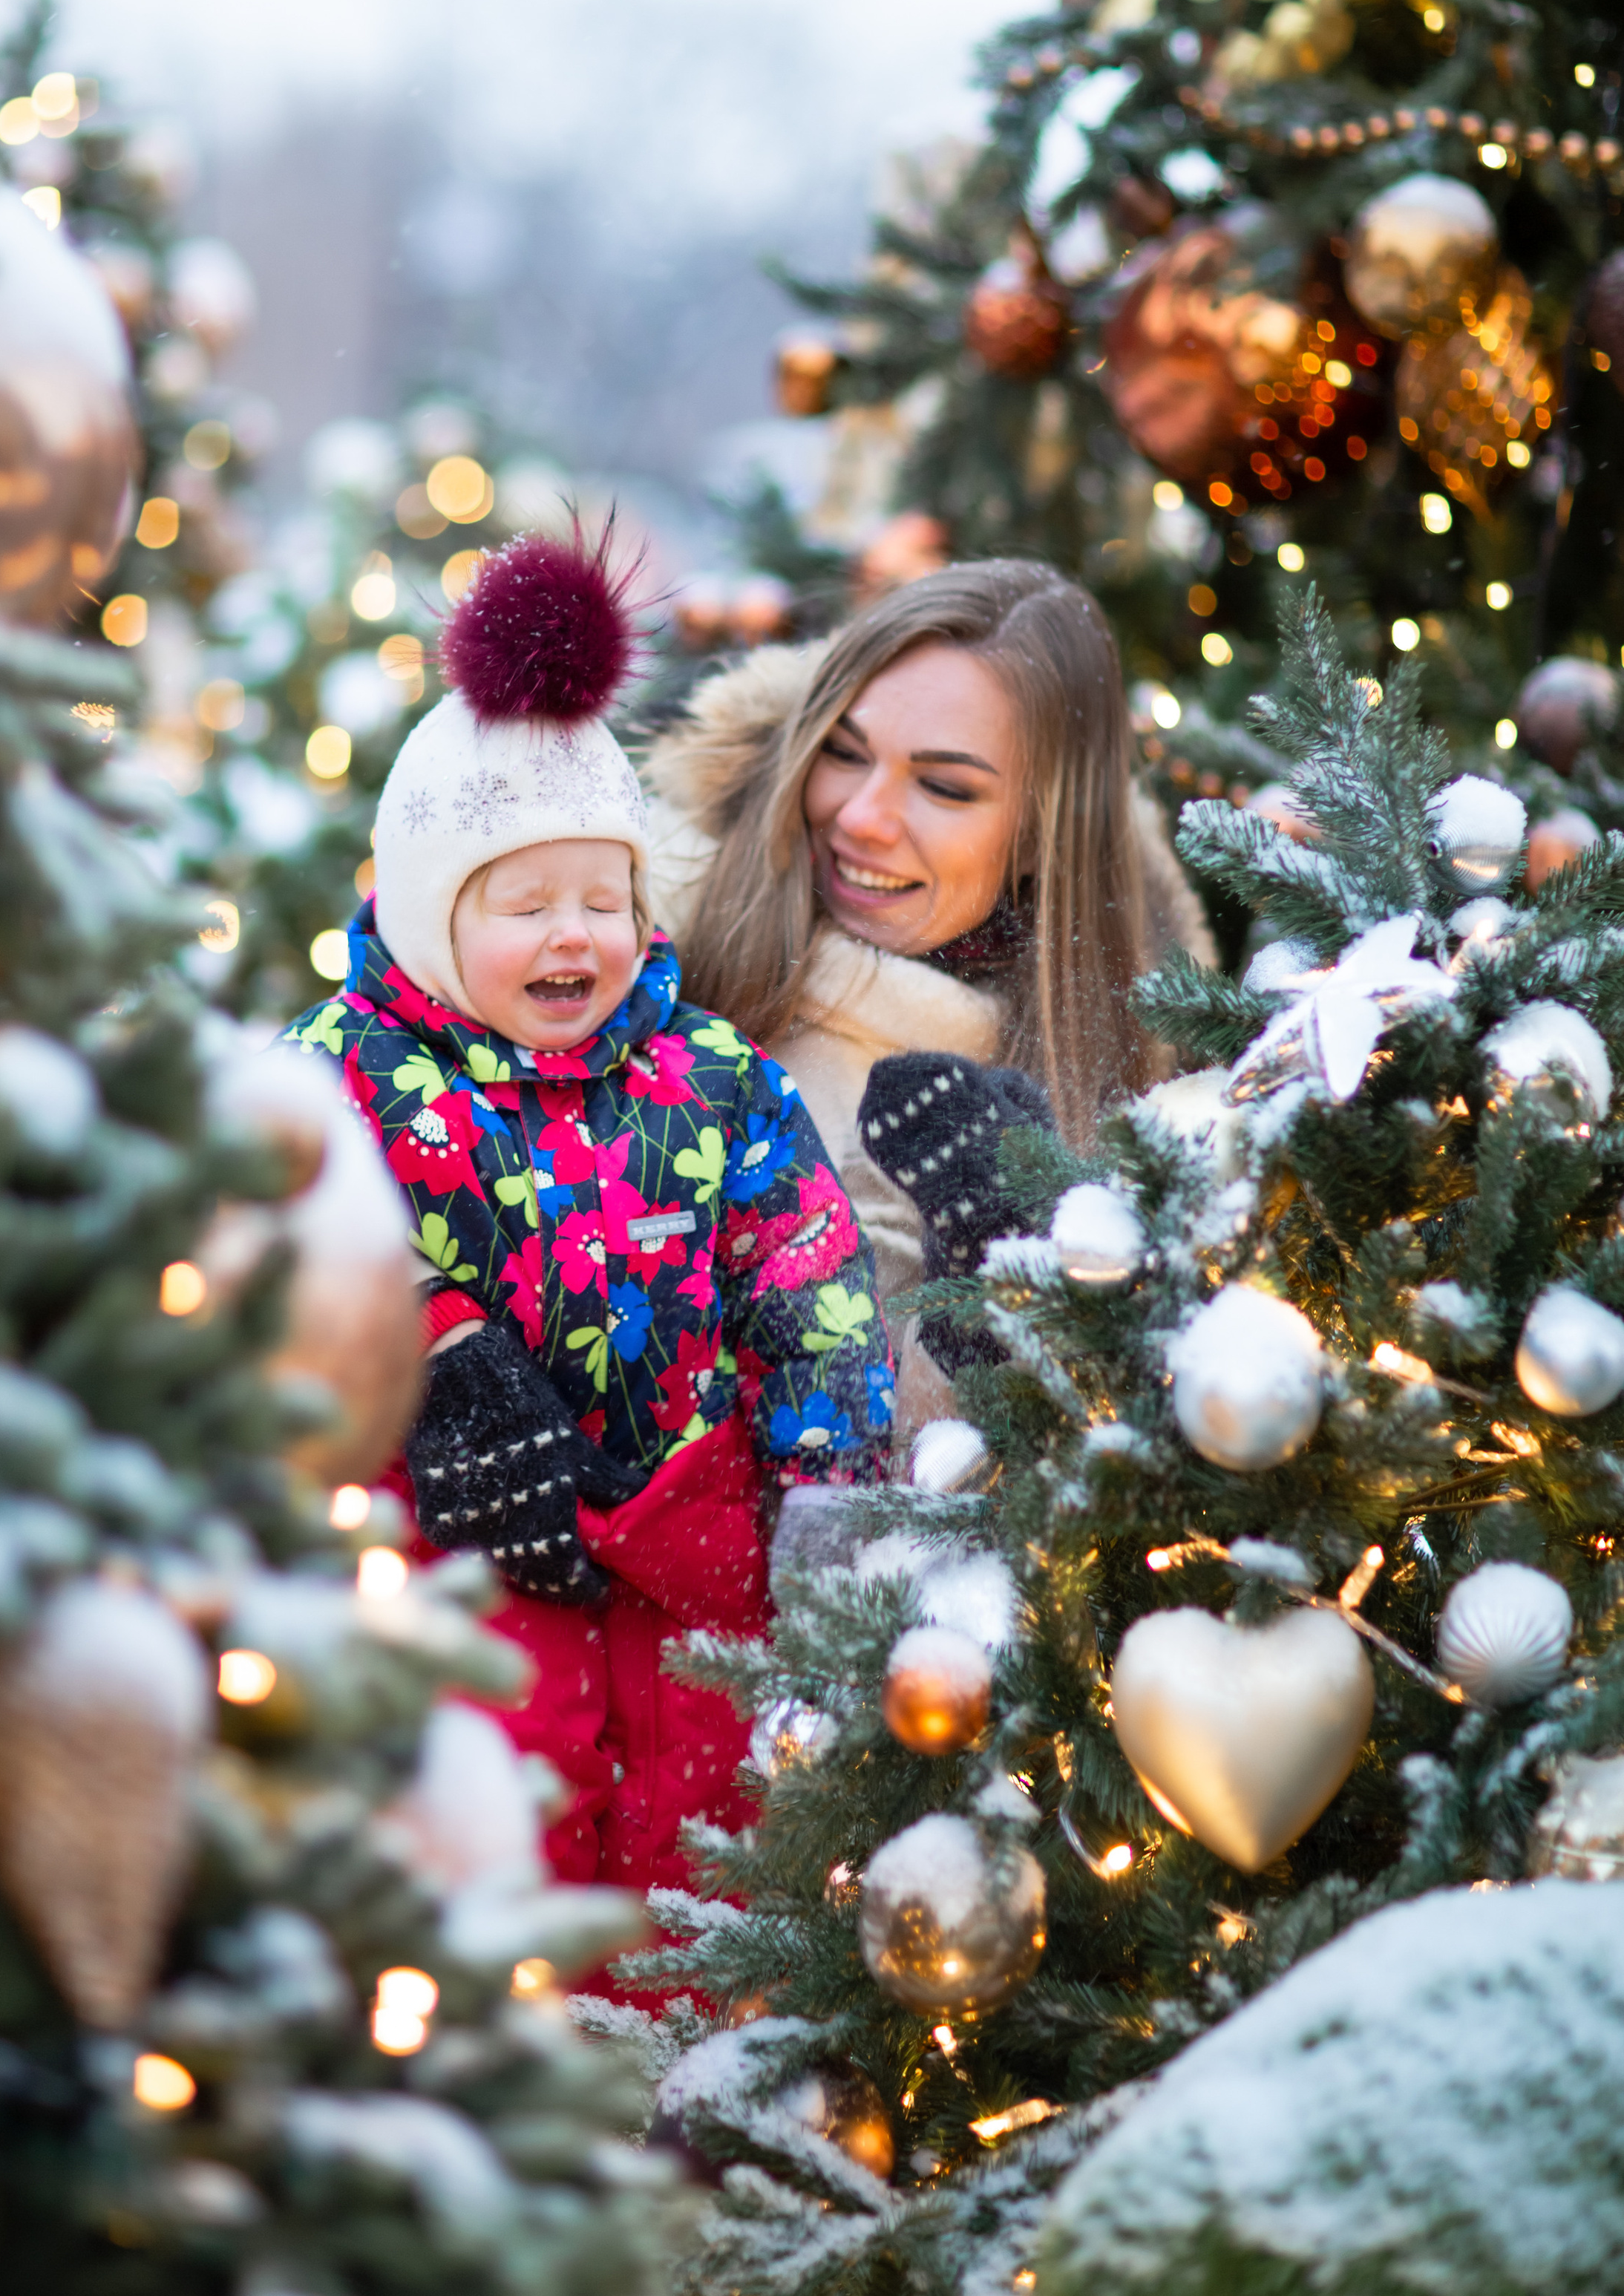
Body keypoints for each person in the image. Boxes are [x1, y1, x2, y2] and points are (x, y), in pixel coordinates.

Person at [287, 529, 891, 1895]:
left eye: (604, 898)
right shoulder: (347, 1076)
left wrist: (829, 1488)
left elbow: (810, 1278)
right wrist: (436, 1350)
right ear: (432, 919)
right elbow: (266, 1233)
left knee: (700, 1830)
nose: (577, 938)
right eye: (525, 906)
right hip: (447, 1548)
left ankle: (687, 2050)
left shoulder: (711, 1080)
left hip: (685, 1541)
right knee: (500, 1820)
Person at [645, 557, 1214, 1436]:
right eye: (842, 750)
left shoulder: (1152, 1098)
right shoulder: (632, 946)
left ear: (1039, 837)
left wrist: (985, 1296)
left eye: (945, 786)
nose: (862, 817)